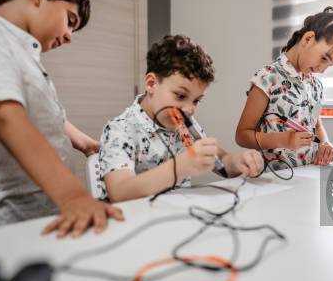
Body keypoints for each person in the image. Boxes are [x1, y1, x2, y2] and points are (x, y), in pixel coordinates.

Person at [0, 0, 123, 236]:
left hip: (41, 208)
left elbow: (41, 115)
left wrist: (85, 143)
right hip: (4, 217)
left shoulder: (26, 59)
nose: (70, 36)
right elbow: (6, 117)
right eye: (70, 21)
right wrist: (74, 196)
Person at [98, 34, 263, 202]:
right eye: (180, 95)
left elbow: (222, 163)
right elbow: (119, 192)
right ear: (151, 84)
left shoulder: (185, 124)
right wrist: (180, 167)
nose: (189, 109)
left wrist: (239, 161)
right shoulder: (120, 129)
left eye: (196, 100)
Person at [236, 6, 333, 169]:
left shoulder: (316, 86)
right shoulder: (268, 77)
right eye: (324, 58)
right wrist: (284, 140)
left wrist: (325, 143)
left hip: (307, 176)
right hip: (273, 180)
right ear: (308, 39)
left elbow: (317, 127)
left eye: (329, 65)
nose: (322, 69)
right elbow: (242, 136)